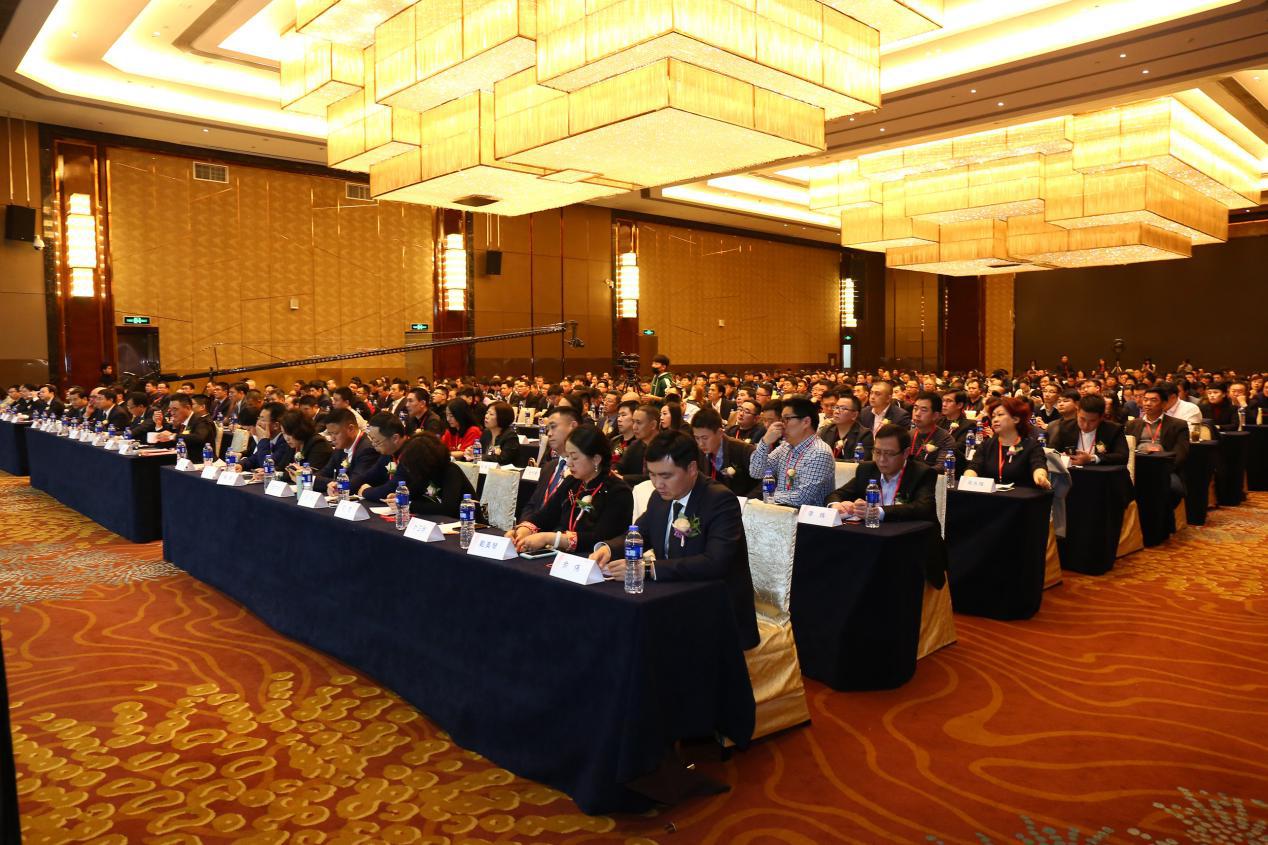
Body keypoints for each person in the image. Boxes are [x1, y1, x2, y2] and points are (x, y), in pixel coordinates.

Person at [590, 431, 759, 651]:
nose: (657, 483)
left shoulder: (719, 500)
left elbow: (715, 562)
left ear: (691, 468)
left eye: (666, 476)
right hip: (671, 595)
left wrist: (647, 569)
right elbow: (640, 534)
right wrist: (609, 550)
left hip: (714, 607)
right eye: (652, 475)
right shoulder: (659, 498)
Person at [510, 426, 633, 554]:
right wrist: (524, 530)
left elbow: (600, 538)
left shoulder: (618, 492)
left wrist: (552, 538)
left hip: (594, 559)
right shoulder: (572, 482)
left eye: (574, 458)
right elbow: (546, 515)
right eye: (567, 456)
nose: (569, 463)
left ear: (596, 459)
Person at [826, 423, 939, 521]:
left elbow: (924, 508)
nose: (881, 459)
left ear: (906, 453)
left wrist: (877, 512)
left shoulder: (922, 473)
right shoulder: (866, 470)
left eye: (889, 453)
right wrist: (837, 506)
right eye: (877, 452)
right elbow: (836, 495)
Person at [749, 395, 836, 507]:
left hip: (805, 516)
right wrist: (765, 442)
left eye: (787, 419)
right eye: (782, 419)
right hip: (780, 511)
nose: (782, 425)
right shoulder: (785, 447)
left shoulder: (819, 452)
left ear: (806, 422)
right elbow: (756, 472)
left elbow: (802, 498)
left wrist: (768, 496)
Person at [962, 397, 1052, 488]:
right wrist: (968, 479)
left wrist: (1041, 477)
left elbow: (1038, 465)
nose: (995, 419)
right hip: (991, 494)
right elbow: (974, 467)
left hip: (1021, 495)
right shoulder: (987, 445)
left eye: (1000, 415)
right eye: (993, 416)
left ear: (1016, 419)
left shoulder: (1030, 446)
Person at [1127, 385, 1189, 504]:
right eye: (1145, 399)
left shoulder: (1178, 425)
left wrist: (1164, 469)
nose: (1147, 403)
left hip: (1165, 468)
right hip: (1138, 467)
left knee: (1174, 489)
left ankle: (1164, 514)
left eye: (1153, 400)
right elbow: (1126, 449)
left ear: (1164, 404)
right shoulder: (1132, 424)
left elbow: (1181, 453)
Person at [396, 431, 475, 518]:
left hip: (466, 521)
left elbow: (448, 508)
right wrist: (400, 497)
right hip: (442, 521)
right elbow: (414, 493)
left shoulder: (451, 472)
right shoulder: (427, 472)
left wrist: (411, 506)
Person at [524, 405, 583, 514]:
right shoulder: (548, 467)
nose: (549, 433)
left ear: (573, 426)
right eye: (548, 429)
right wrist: (525, 523)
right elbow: (532, 505)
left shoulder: (582, 471)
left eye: (553, 427)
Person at [690, 408, 759, 497]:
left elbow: (766, 478)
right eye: (697, 438)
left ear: (720, 433)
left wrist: (747, 500)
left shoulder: (743, 449)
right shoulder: (697, 452)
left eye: (705, 438)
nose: (700, 444)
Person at [1046, 394, 1129, 466]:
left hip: (1102, 475)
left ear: (1101, 417)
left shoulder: (1113, 429)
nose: (1086, 425)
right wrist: (1061, 456)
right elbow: (1051, 451)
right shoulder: (1065, 427)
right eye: (1082, 419)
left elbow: (1123, 457)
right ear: (1077, 412)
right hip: (1072, 474)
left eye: (1092, 421)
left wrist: (1092, 458)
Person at [315, 408, 380, 494]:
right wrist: (330, 484)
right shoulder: (340, 447)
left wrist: (333, 484)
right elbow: (322, 474)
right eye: (330, 434)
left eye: (335, 433)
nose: (332, 438)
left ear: (351, 428)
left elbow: (354, 484)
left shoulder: (367, 449)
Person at [356, 413, 412, 501]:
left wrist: (365, 491)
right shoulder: (389, 451)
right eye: (372, 440)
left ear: (395, 438)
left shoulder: (412, 452)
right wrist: (343, 485)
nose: (373, 445)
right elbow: (369, 476)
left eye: (377, 441)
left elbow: (393, 488)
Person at [237, 401, 293, 475]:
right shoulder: (270, 439)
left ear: (276, 425)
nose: (258, 423)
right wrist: (241, 465)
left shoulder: (285, 441)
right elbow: (255, 458)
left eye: (263, 420)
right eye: (259, 418)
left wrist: (264, 440)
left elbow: (266, 465)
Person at [151, 395, 216, 456]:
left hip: (201, 460)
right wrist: (158, 425)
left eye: (175, 409)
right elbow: (171, 442)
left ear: (188, 407)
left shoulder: (202, 420)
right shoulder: (182, 422)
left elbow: (199, 437)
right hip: (182, 459)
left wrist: (172, 436)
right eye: (170, 409)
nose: (172, 413)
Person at [906, 391, 956, 469]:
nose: (917, 414)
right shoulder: (908, 435)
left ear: (935, 415)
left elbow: (941, 467)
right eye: (915, 408)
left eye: (923, 410)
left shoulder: (946, 439)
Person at [279, 410, 333, 482]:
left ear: (300, 429)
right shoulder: (293, 444)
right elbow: (281, 467)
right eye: (283, 433)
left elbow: (308, 474)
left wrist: (286, 473)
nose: (286, 438)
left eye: (289, 433)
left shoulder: (319, 444)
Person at [614, 404, 659, 485]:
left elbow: (655, 476)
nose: (634, 427)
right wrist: (614, 472)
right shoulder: (635, 444)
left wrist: (623, 478)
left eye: (638, 423)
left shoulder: (665, 446)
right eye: (633, 422)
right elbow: (621, 465)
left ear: (653, 425)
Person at [817, 393, 870, 459]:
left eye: (843, 408)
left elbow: (862, 461)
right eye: (836, 407)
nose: (836, 411)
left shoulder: (865, 435)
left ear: (854, 415)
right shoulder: (826, 430)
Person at [471, 401, 520, 466]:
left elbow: (503, 459)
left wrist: (478, 457)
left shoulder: (510, 436)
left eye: (491, 414)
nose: (486, 416)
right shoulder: (486, 432)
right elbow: (479, 452)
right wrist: (472, 452)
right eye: (487, 413)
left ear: (502, 417)